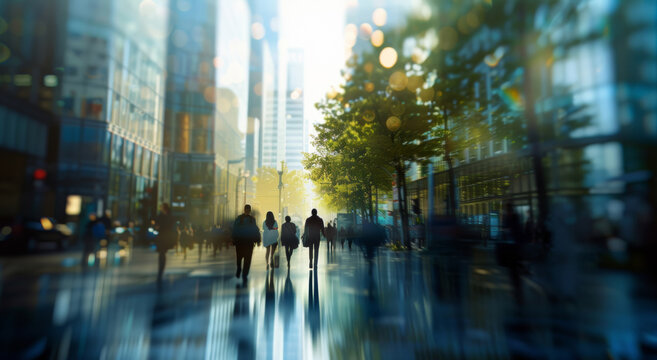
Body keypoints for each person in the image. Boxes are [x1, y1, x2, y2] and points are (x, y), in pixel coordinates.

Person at [232, 204, 261, 282]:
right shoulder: (252, 219)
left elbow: (234, 229)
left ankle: (239, 268)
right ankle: (245, 273)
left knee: (239, 257)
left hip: (240, 242)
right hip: (249, 242)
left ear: (244, 210)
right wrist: (258, 240)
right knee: (247, 259)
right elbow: (255, 230)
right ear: (249, 210)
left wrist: (233, 239)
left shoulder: (239, 218)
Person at [155, 203, 176, 285]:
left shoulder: (163, 217)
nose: (160, 208)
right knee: (162, 253)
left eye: (161, 207)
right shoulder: (167, 216)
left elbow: (159, 225)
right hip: (164, 237)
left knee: (162, 253)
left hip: (164, 237)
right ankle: (161, 270)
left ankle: (160, 270)